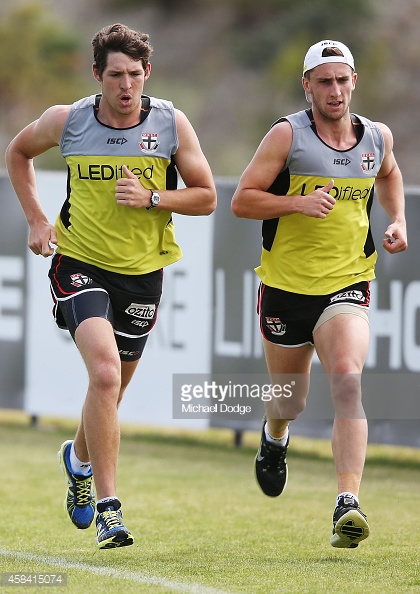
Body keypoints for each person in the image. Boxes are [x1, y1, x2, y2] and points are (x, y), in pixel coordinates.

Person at [5, 23, 217, 549]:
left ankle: (76, 461)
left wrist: (153, 198)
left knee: (112, 390)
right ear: (97, 74)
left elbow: (207, 196)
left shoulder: (170, 123)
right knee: (103, 374)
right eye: (116, 75)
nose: (127, 86)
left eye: (136, 75)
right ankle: (109, 509)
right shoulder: (69, 120)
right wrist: (36, 218)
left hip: (143, 273)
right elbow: (17, 153)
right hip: (79, 262)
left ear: (149, 74)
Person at [231, 39, 407, 548]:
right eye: (324, 81)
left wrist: (397, 219)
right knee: (291, 400)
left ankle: (346, 504)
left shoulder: (376, 137)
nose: (335, 90)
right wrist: (295, 203)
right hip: (286, 287)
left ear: (355, 81)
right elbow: (242, 201)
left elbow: (390, 173)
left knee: (348, 381)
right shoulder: (287, 136)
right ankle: (274, 437)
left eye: (342, 79)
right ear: (307, 85)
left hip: (348, 282)